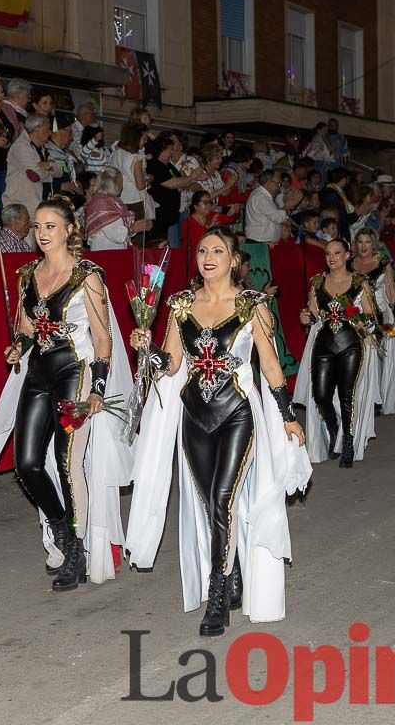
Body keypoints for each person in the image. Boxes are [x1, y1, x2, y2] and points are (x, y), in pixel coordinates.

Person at [126, 226, 311, 636]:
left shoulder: (252, 305)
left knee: (224, 498)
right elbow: (171, 366)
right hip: (194, 416)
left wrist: (286, 414)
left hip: (237, 416)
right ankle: (235, 567)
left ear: (234, 260)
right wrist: (148, 350)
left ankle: (217, 594)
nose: (208, 257)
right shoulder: (180, 305)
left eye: (218, 250)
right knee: (211, 503)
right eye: (202, 250)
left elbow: (270, 365)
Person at [0, 198, 133, 588]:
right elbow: (26, 330)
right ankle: (62, 528)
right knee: (25, 464)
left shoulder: (88, 275)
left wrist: (97, 388)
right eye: (38, 226)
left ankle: (77, 549)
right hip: (38, 374)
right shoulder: (27, 274)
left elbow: (102, 337)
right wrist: (17, 347)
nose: (42, 233)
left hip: (74, 374)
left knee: (66, 460)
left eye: (50, 226)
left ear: (68, 230)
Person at [293, 238, 381, 467]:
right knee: (321, 395)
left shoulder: (360, 283)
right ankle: (334, 429)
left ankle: (348, 443)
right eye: (328, 254)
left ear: (347, 255)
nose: (331, 258)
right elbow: (312, 314)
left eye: (337, 253)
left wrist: (363, 321)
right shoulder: (318, 283)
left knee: (347, 394)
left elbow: (373, 315)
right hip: (324, 344)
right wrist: (306, 318)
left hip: (350, 344)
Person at [352, 228, 395, 415]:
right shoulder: (350, 263)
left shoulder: (383, 262)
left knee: (383, 355)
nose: (364, 246)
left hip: (383, 313)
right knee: (364, 355)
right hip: (359, 313)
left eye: (367, 242)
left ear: (374, 243)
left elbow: (391, 289)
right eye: (360, 242)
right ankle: (369, 396)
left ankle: (384, 395)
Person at [84, 167, 149, 251]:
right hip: (106, 251)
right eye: (121, 182)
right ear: (115, 184)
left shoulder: (113, 201)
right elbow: (115, 235)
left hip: (114, 249)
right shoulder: (101, 204)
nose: (122, 185)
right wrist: (134, 228)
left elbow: (121, 229)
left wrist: (133, 228)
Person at [5, 113, 53, 216]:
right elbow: (35, 175)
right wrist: (50, 172)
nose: (50, 132)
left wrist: (48, 165)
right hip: (20, 206)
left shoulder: (43, 147)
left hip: (35, 205)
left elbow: (60, 170)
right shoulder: (20, 147)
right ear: (37, 129)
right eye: (47, 129)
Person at [109, 123, 150, 221]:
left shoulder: (115, 153)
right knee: (137, 232)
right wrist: (150, 179)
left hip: (118, 199)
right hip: (134, 201)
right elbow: (140, 185)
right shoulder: (136, 158)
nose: (146, 141)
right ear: (136, 138)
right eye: (144, 138)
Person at [244, 170, 291, 244]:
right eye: (278, 185)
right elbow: (277, 217)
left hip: (263, 241)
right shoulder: (260, 197)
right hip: (259, 241)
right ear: (268, 183)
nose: (280, 188)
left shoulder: (265, 196)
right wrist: (287, 206)